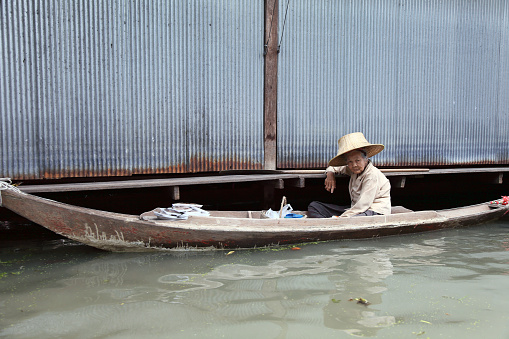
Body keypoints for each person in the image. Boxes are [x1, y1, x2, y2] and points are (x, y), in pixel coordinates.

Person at [308, 132, 391, 218]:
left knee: (353, 219)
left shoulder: (372, 175)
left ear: (366, 159)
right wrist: (330, 174)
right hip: (355, 210)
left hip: (373, 211)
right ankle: (327, 227)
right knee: (314, 206)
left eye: (357, 160)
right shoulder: (353, 170)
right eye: (350, 162)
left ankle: (333, 226)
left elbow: (362, 206)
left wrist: (341, 218)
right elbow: (334, 167)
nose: (354, 165)